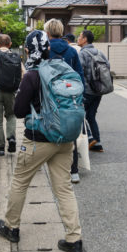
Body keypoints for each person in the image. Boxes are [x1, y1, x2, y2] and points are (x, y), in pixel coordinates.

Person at [0, 30, 85, 252]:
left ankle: (11, 227)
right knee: (64, 188)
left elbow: (18, 111)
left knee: (20, 181)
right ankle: (74, 240)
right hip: (65, 138)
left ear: (28, 50)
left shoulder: (32, 76)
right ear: (48, 49)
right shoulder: (64, 69)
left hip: (38, 139)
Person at [44, 19, 85, 183]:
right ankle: (73, 171)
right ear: (61, 32)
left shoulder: (44, 50)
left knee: (48, 130)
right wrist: (81, 97)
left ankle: (52, 170)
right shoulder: (72, 51)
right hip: (70, 97)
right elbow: (80, 76)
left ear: (47, 33)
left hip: (50, 97)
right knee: (71, 132)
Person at [77, 29, 108, 152]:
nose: (78, 38)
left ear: (85, 39)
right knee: (91, 116)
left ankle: (90, 139)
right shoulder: (100, 52)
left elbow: (78, 71)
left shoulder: (82, 54)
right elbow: (107, 67)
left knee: (79, 115)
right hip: (98, 91)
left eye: (80, 36)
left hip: (87, 91)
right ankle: (97, 144)